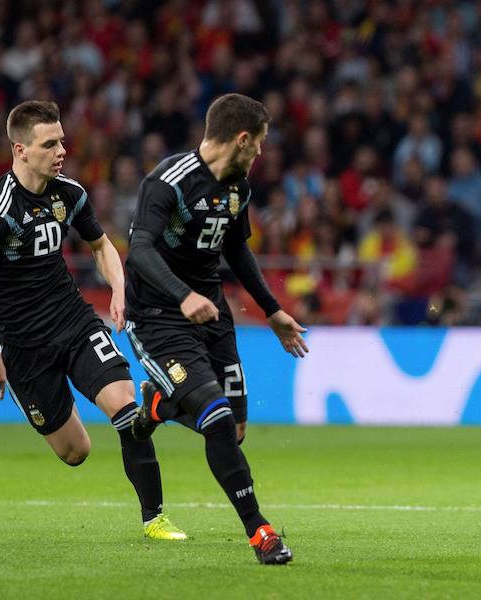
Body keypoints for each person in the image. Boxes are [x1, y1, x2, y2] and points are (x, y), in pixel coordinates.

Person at [0, 100, 186, 540]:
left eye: (62, 139)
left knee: (124, 408)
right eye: (49, 143)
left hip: (74, 323)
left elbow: (101, 247)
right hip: (23, 347)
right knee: (75, 452)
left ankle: (155, 518)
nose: (61, 149)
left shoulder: (70, 193)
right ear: (20, 150)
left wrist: (120, 290)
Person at [124, 93, 308, 565]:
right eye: (260, 144)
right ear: (242, 139)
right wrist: (182, 295)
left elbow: (238, 251)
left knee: (235, 428)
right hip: (160, 317)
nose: (261, 154)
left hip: (212, 315)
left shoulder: (237, 188)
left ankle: (161, 407)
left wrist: (271, 310)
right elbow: (140, 250)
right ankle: (260, 532)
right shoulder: (168, 182)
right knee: (219, 419)